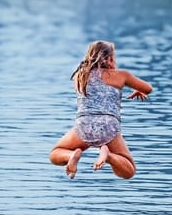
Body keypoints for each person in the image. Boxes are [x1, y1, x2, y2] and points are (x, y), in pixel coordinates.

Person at [49, 40, 153, 179]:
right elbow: (148, 88)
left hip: (84, 125)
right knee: (129, 171)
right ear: (110, 58)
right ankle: (109, 156)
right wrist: (137, 89)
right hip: (108, 126)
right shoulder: (121, 75)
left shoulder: (79, 76)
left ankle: (71, 155)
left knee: (55, 153)